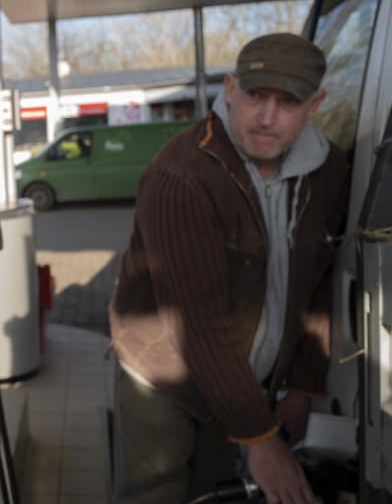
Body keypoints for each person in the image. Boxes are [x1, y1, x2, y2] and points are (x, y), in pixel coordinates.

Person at [108, 33, 349, 504]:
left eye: (288, 101)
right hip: (163, 376)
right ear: (232, 89)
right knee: (156, 495)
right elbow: (197, 323)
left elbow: (317, 284)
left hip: (239, 380)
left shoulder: (329, 170)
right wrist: (260, 438)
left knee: (217, 494)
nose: (266, 116)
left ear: (315, 104)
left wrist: (301, 386)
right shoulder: (180, 175)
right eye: (257, 95)